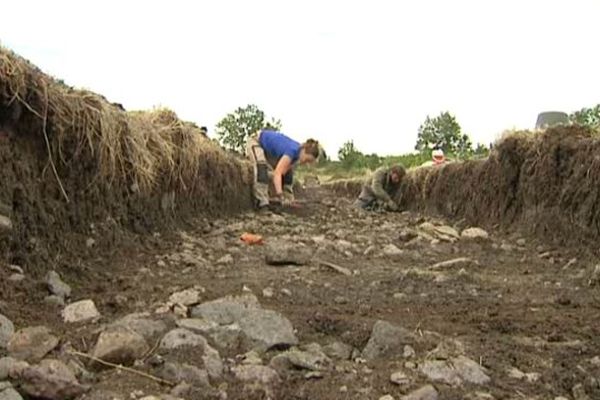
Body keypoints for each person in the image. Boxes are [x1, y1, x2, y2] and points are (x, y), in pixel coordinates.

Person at [246, 129, 320, 209]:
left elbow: (283, 173)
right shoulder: (291, 151)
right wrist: (280, 194)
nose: (306, 163)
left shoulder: (296, 155)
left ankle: (288, 199)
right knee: (261, 168)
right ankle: (261, 202)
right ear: (304, 150)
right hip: (256, 141)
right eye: (307, 160)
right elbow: (277, 174)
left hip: (269, 151)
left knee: (288, 173)